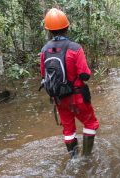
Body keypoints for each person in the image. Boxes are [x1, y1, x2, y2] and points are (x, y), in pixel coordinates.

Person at [40, 8, 99, 158]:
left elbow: (43, 76)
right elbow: (85, 75)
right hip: (78, 97)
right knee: (90, 123)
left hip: (59, 99)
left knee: (68, 129)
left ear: (49, 31)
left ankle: (73, 160)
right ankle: (86, 158)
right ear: (67, 27)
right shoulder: (75, 48)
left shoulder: (44, 50)